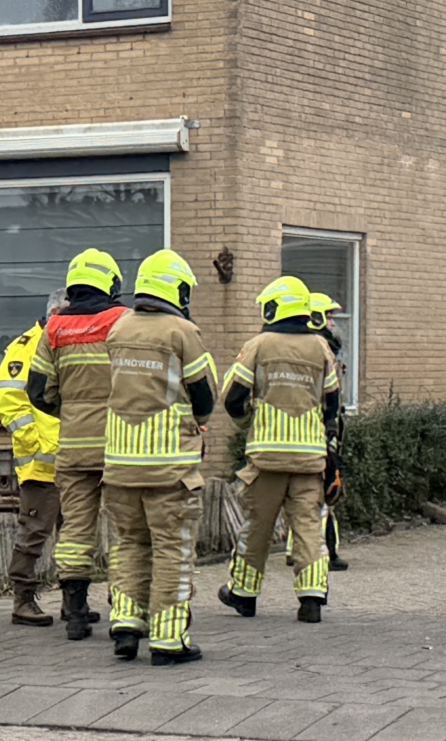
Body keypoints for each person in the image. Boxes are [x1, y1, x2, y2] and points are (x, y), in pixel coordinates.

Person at [101, 250, 217, 665]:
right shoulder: (182, 332)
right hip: (170, 467)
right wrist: (197, 421)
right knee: (171, 548)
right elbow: (204, 395)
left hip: (119, 465)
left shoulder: (117, 328)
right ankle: (169, 640)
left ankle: (126, 625)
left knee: (129, 543)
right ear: (178, 289)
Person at [217, 276, 339, 625]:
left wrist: (247, 422)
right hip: (309, 460)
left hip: (267, 459)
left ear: (274, 308)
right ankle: (312, 596)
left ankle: (243, 593)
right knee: (308, 528)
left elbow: (234, 397)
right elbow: (332, 404)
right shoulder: (321, 349)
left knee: (256, 527)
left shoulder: (258, 345)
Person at [25, 250, 128, 642]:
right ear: (111, 284)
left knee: (75, 530)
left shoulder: (54, 329)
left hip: (73, 446)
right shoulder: (122, 321)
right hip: (120, 445)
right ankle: (125, 609)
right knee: (125, 530)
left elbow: (37, 391)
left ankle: (75, 614)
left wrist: (69, 410)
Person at [0, 291, 67, 626]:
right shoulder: (27, 346)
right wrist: (34, 443)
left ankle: (72, 600)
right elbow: (9, 400)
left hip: (71, 461)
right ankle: (22, 600)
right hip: (41, 464)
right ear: (54, 311)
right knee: (34, 532)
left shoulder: (62, 342)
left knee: (75, 534)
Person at [311, 292, 351, 573]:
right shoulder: (320, 350)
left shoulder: (325, 348)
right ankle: (327, 551)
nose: (333, 323)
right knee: (325, 491)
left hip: (323, 428)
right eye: (327, 316)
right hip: (320, 433)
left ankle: (300, 549)